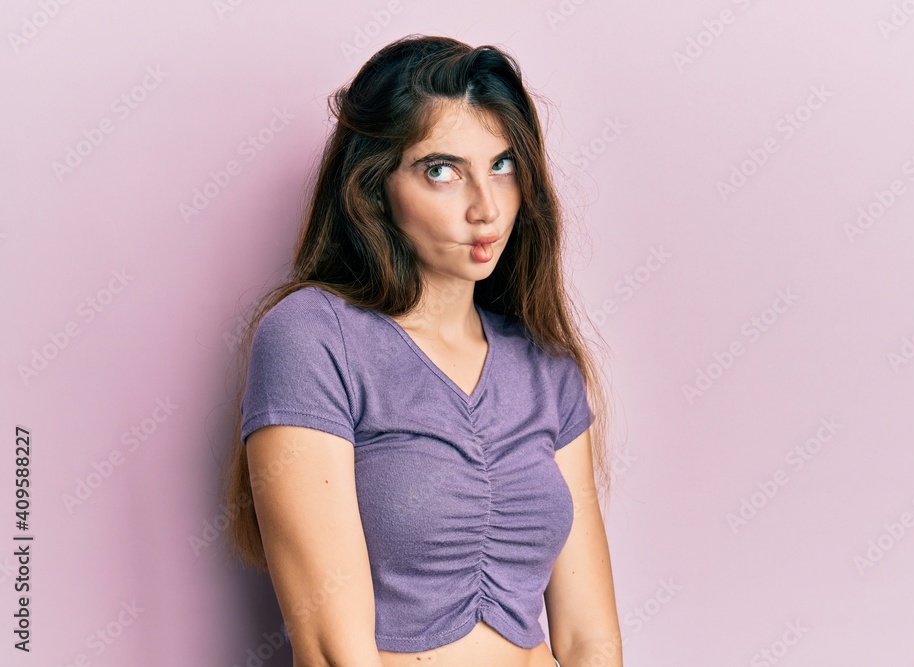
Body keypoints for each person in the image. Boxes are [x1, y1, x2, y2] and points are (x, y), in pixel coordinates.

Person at [222, 34, 623, 667]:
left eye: (503, 165)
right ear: (373, 186)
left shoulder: (546, 363)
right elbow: (332, 650)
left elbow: (589, 640)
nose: (486, 208)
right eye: (442, 170)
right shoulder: (312, 337)